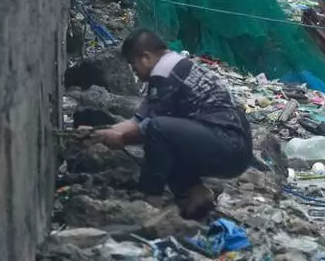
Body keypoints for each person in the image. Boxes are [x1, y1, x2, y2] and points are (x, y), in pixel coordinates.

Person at [92, 30, 253, 218]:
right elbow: (139, 120)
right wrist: (100, 134)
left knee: (159, 133)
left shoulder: (164, 73)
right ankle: (197, 196)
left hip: (227, 143)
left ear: (146, 56)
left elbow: (151, 128)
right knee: (166, 139)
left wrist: (122, 139)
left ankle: (151, 202)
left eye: (132, 64)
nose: (133, 70)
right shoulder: (172, 68)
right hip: (233, 146)